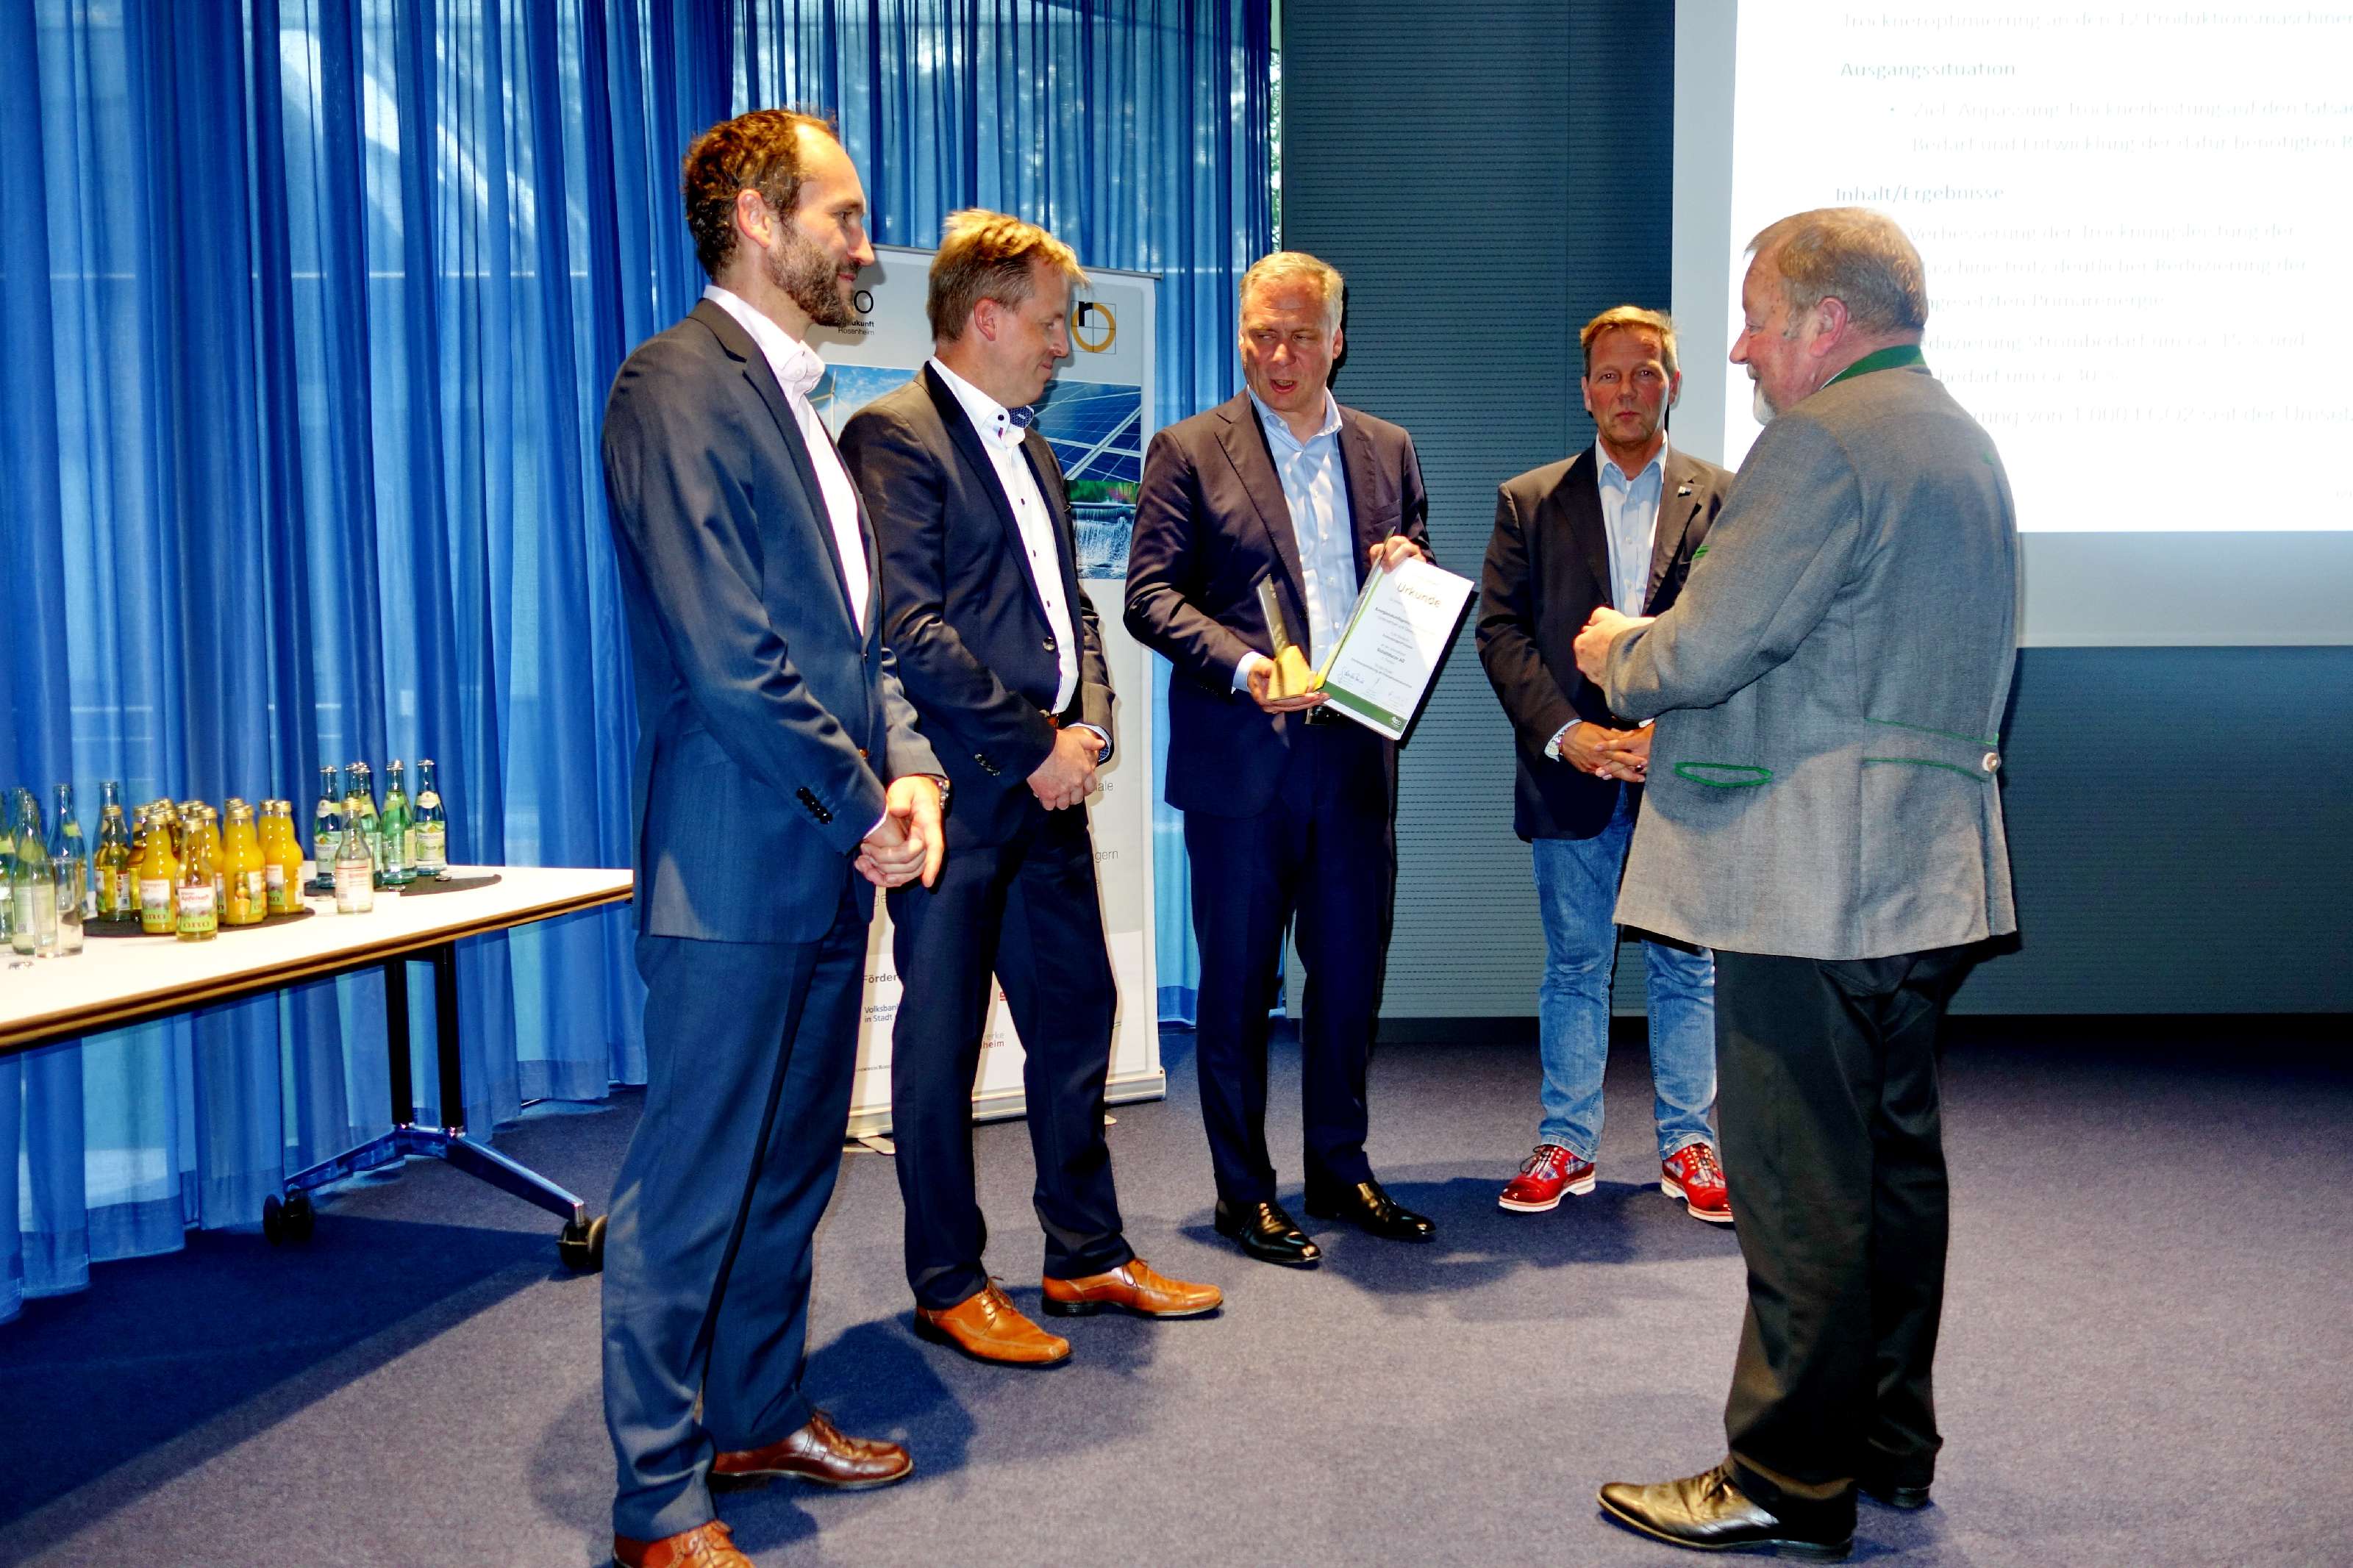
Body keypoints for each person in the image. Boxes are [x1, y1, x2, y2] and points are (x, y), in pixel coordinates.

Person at [1573, 208, 2018, 1558]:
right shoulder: (1962, 442)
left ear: (1828, 321)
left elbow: (1706, 647)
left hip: (1808, 877)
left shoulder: (1821, 442)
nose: (1742, 348)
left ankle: (1782, 1475)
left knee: (1798, 1179)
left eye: (1760, 318)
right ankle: (1886, 1444)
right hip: (1922, 875)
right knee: (1891, 1167)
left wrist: (1615, 648)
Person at [598, 109, 946, 1568]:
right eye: (844, 215)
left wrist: (909, 778)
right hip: (737, 867)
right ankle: (660, 1499)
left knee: (790, 1167)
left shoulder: (803, 398)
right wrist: (864, 810)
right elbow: (732, 661)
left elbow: (856, 639)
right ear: (757, 216)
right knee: (690, 1189)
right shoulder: (673, 384)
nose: (865, 244)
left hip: (821, 859)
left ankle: (753, 1415)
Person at [839, 210, 1221, 1368]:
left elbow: (1073, 615)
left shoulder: (1036, 447)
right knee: (942, 1044)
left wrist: (1090, 728)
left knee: (1076, 1017)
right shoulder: (893, 434)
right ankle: (948, 1284)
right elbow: (909, 630)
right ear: (988, 318)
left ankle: (1085, 1252)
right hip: (958, 800)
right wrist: (1035, 745)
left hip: (1049, 790)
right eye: (1052, 325)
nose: (1065, 346)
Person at [1124, 250, 1436, 1267]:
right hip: (1241, 764)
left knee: (1347, 983)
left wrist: (1410, 566)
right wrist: (1244, 665)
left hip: (1353, 758)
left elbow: (1411, 576)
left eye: (1301, 335)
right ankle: (1242, 1193)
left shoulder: (1389, 450)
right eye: (1261, 334)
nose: (1278, 355)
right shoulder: (1187, 449)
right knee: (1236, 988)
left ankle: (1339, 1171)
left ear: (1337, 339)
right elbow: (1149, 597)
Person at [1477, 306, 1734, 1224]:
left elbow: (1734, 635)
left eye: (1645, 371)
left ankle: (1689, 1144)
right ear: (1585, 392)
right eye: (1610, 375)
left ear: (1673, 383)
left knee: (1684, 966)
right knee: (1575, 965)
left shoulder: (1724, 496)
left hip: (1680, 768)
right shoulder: (1529, 500)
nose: (1628, 390)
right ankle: (1567, 1143)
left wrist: (1675, 729)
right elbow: (1500, 634)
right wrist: (1568, 734)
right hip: (1570, 769)